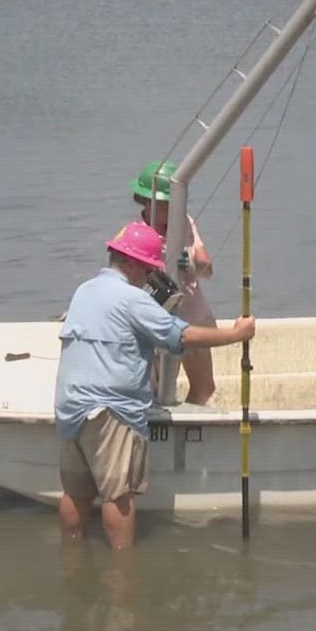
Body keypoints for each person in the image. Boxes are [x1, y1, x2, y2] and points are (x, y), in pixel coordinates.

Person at [55, 220, 255, 550]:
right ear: (131, 263)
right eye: (147, 270)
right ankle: (123, 572)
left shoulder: (85, 291)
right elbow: (182, 335)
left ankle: (73, 557)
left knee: (75, 493)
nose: (149, 278)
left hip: (70, 404)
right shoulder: (133, 301)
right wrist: (236, 335)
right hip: (111, 410)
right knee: (118, 496)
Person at [131, 159, 219, 405]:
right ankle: (163, 434)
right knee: (156, 393)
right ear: (146, 202)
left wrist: (193, 268)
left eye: (173, 203)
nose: (169, 211)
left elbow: (208, 268)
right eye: (162, 205)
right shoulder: (135, 235)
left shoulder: (185, 222)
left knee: (205, 388)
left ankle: (191, 431)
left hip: (193, 316)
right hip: (157, 322)